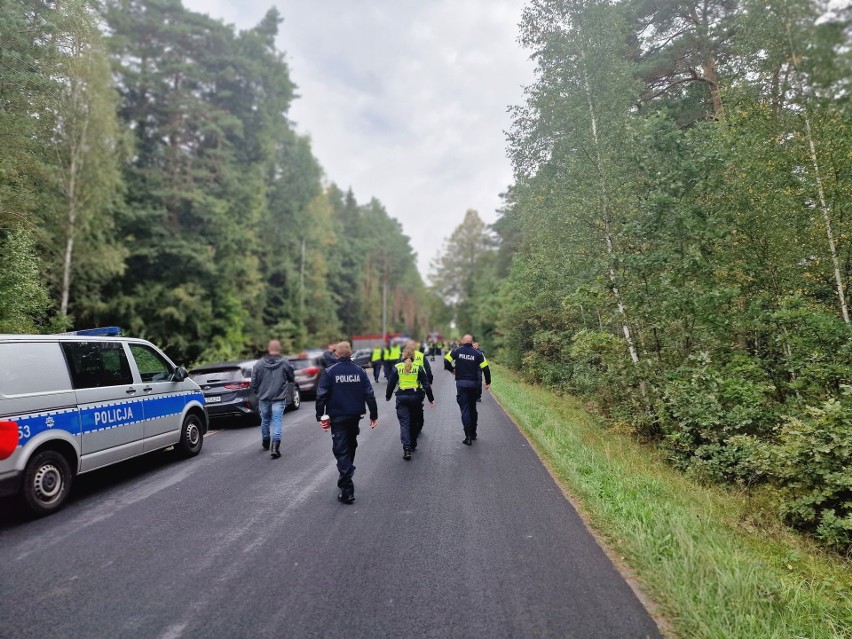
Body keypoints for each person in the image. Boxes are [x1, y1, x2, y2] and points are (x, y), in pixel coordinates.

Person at [315, 341, 378, 504]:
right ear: (351, 354)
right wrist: (373, 414)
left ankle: (347, 489)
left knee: (341, 450)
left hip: (337, 417)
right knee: (351, 445)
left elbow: (321, 395)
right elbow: (369, 394)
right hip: (355, 415)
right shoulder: (360, 371)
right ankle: (347, 471)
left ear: (336, 355)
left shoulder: (330, 372)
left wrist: (319, 415)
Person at [386, 346, 434, 460]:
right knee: (414, 422)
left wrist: (388, 396)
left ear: (403, 356)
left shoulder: (397, 367)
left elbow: (391, 383)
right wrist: (431, 399)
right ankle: (412, 443)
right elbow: (426, 385)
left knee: (405, 423)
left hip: (402, 398)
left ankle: (407, 449)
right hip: (415, 398)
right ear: (413, 356)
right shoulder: (418, 367)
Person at [251, 339, 295, 459]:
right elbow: (291, 377)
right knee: (277, 421)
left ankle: (266, 441)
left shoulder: (259, 364)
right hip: (279, 397)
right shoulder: (284, 362)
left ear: (268, 349)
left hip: (263, 397)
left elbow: (253, 382)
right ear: (278, 349)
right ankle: (275, 447)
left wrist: (258, 392)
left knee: (265, 419)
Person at [444, 334, 491, 445]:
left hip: (461, 383)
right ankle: (473, 433)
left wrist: (451, 370)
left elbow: (446, 361)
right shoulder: (478, 353)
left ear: (462, 341)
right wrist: (488, 382)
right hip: (474, 384)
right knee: (472, 408)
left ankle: (468, 436)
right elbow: (486, 368)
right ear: (472, 342)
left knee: (465, 409)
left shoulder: (456, 351)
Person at [400, 339, 433, 436]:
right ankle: (418, 425)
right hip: (420, 389)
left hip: (405, 389)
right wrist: (429, 382)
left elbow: (396, 372)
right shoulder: (421, 356)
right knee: (418, 408)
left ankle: (410, 427)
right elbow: (428, 370)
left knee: (407, 410)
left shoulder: (402, 357)